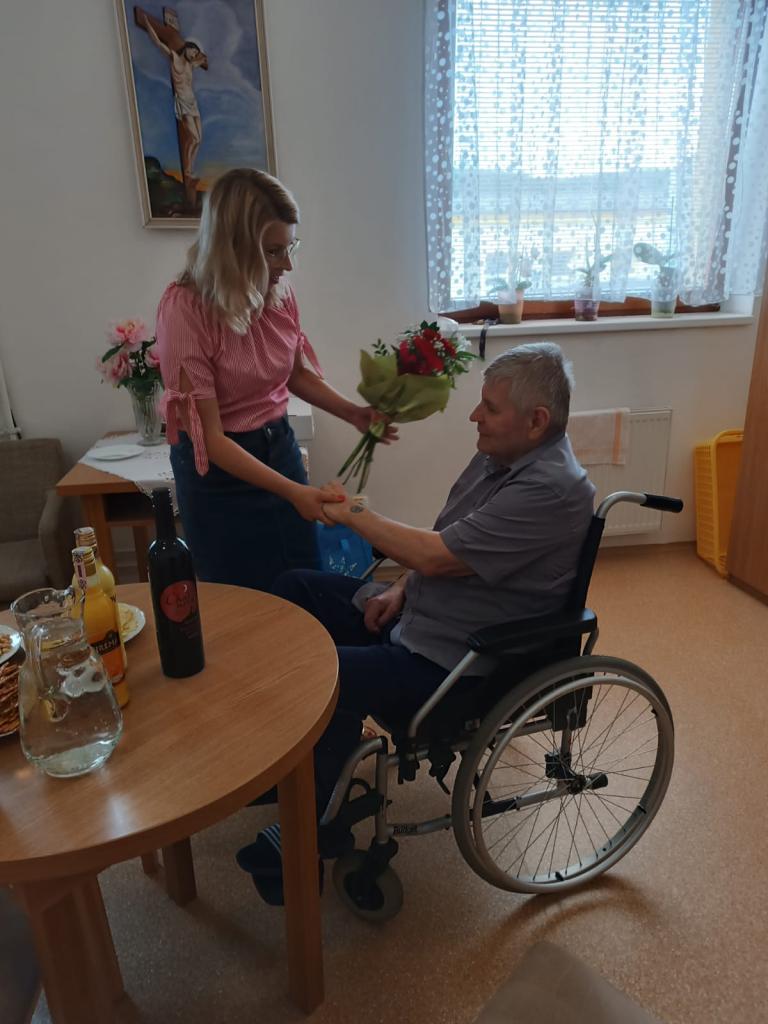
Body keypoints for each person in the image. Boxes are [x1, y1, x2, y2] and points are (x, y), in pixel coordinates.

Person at [236, 341, 596, 904]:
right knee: (295, 588)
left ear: (536, 421)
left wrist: (356, 514)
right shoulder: (500, 458)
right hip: (423, 613)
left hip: (455, 661)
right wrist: (402, 586)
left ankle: (312, 832)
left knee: (319, 674)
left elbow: (437, 555)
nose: (474, 416)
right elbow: (451, 545)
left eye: (490, 408)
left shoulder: (550, 489)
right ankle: (310, 756)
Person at [155, 168, 396, 592]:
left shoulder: (278, 293)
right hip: (220, 476)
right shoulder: (185, 310)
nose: (287, 264)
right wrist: (295, 493)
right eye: (273, 251)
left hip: (278, 448)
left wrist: (354, 413)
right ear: (232, 248)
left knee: (303, 582)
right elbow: (211, 439)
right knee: (243, 598)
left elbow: (296, 374)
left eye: (290, 247)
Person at [142, 19, 208, 208]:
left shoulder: (190, 65)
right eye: (192, 51)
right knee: (193, 137)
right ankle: (188, 171)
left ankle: (190, 170)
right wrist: (148, 25)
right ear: (186, 48)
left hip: (193, 103)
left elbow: (203, 60)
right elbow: (158, 42)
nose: (193, 55)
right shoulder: (174, 58)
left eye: (195, 53)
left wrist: (201, 57)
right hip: (183, 103)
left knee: (199, 139)